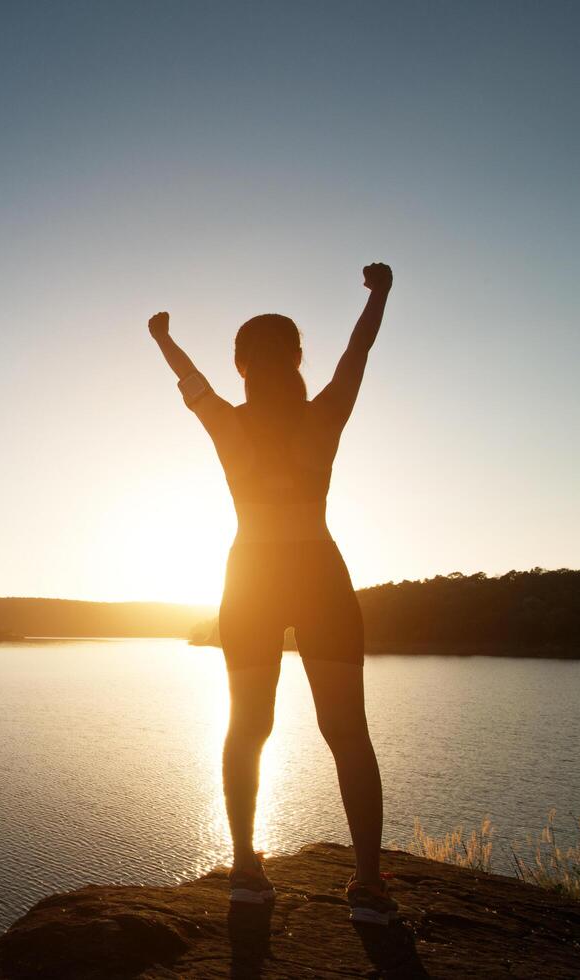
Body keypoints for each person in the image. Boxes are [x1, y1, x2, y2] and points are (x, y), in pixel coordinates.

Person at [147, 263, 398, 925]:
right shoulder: (322, 416)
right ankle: (365, 885)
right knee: (344, 733)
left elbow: (189, 380)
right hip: (314, 573)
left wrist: (161, 338)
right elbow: (355, 352)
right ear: (294, 359)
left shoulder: (228, 424)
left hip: (255, 576)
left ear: (242, 365)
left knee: (249, 728)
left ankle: (244, 869)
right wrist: (378, 297)